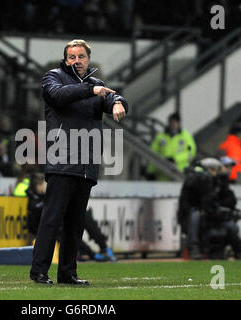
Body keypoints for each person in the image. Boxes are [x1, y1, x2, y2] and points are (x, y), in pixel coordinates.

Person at [30, 39, 127, 285]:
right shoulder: (53, 77)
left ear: (88, 59)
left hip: (87, 163)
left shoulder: (97, 85)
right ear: (65, 59)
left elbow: (116, 98)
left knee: (75, 223)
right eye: (71, 57)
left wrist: (117, 103)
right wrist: (91, 90)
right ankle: (39, 271)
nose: (76, 61)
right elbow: (58, 96)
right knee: (51, 218)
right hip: (62, 159)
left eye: (81, 56)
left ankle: (67, 273)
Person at [26, 173, 116, 262]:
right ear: (38, 186)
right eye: (45, 184)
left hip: (59, 223)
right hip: (51, 229)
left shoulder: (49, 196)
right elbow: (36, 225)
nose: (47, 186)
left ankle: (103, 247)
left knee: (83, 216)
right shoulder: (35, 203)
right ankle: (93, 255)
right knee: (68, 232)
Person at [146, 112, 196, 181]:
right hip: (163, 174)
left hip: (180, 173)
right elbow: (153, 153)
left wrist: (175, 159)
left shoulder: (186, 137)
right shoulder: (161, 137)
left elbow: (191, 153)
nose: (173, 124)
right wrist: (150, 171)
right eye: (171, 122)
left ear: (179, 123)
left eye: (175, 122)